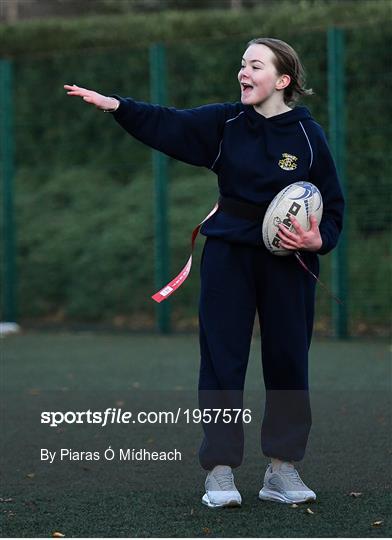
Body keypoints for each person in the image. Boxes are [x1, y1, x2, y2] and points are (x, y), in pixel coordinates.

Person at [64, 37, 344, 509]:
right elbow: (167, 123)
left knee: (289, 362)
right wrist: (118, 106)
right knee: (221, 362)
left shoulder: (308, 136)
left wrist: (320, 239)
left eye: (255, 65)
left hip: (289, 264)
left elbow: (332, 205)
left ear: (282, 80)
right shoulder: (225, 122)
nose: (243, 72)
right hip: (228, 257)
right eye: (241, 64)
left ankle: (282, 470)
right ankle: (219, 472)